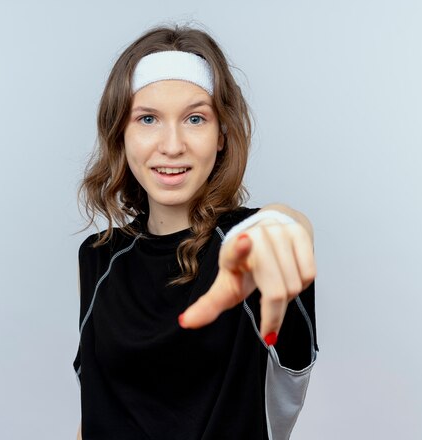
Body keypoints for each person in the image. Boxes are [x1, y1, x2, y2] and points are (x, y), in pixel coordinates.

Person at [74, 25, 318, 440]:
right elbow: (96, 408)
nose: (172, 145)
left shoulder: (248, 248)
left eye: (195, 118)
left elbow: (284, 228)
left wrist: (290, 224)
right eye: (147, 118)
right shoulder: (98, 257)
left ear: (222, 135)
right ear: (122, 134)